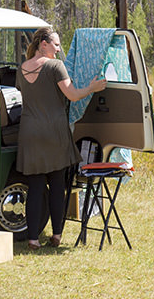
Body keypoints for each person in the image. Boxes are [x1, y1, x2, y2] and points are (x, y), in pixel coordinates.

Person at [15, 27, 107, 250]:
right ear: (43, 44)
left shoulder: (22, 68)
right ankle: (56, 236)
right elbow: (73, 95)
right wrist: (92, 87)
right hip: (53, 133)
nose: (58, 49)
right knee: (57, 185)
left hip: (29, 133)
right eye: (55, 44)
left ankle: (33, 239)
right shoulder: (55, 66)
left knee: (36, 188)